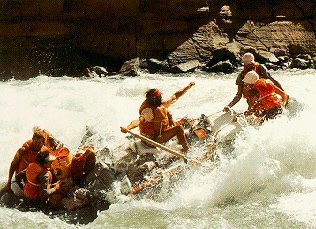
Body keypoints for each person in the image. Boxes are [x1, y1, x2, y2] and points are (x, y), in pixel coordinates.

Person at [121, 82, 195, 153]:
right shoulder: (149, 111)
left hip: (160, 132)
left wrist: (189, 86)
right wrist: (128, 127)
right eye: (159, 97)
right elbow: (138, 120)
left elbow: (175, 95)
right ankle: (186, 150)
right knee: (179, 128)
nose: (161, 98)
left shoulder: (160, 104)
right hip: (153, 140)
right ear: (155, 99)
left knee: (177, 117)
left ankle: (179, 139)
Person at [4, 127, 61, 192]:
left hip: (35, 179)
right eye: (35, 142)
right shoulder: (23, 150)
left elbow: (49, 165)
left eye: (39, 143)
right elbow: (13, 164)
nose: (36, 144)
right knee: (18, 192)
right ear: (32, 140)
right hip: (22, 178)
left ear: (43, 143)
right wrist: (9, 182)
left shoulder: (44, 151)